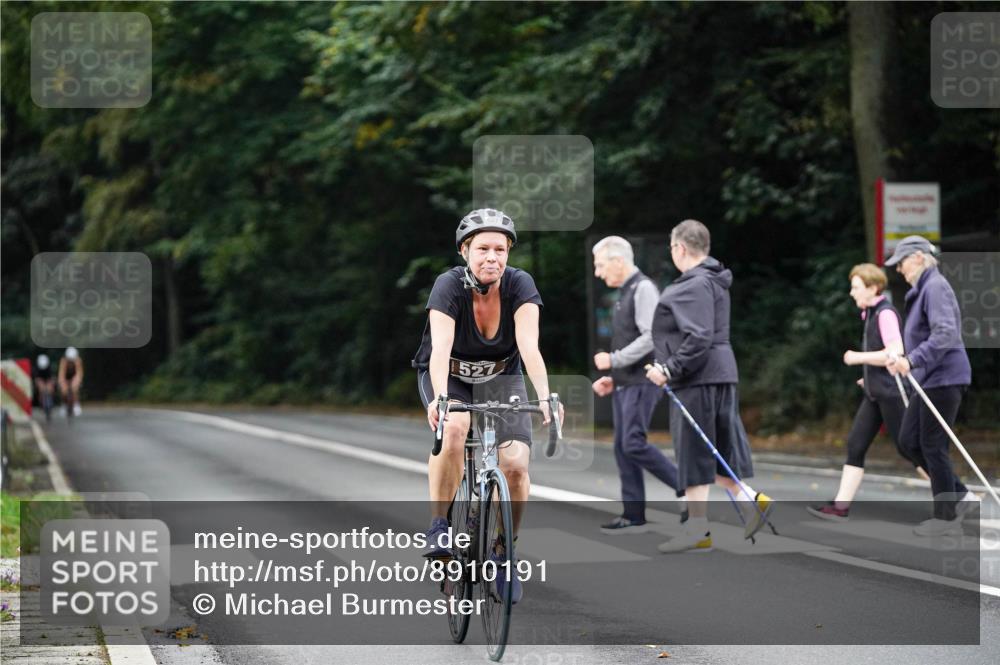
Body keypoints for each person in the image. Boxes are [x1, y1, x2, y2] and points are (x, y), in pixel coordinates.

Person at [412, 208, 561, 603]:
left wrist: (545, 395)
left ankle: (503, 551)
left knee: (515, 466)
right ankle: (440, 525)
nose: (492, 257)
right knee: (457, 427)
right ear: (465, 251)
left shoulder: (520, 285)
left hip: (501, 378)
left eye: (500, 249)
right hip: (451, 376)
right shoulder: (448, 286)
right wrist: (442, 399)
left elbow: (529, 346)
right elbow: (440, 349)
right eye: (483, 249)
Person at [645, 219, 772, 553]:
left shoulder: (692, 284)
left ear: (680, 248)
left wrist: (669, 369)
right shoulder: (713, 279)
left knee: (693, 454)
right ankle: (748, 503)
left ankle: (699, 528)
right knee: (713, 453)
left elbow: (697, 334)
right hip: (718, 373)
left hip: (696, 378)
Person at [885, 236, 978, 536]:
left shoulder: (935, 287)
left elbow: (945, 333)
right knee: (909, 442)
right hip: (929, 380)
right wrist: (905, 359)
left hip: (944, 377)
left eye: (901, 262)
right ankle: (960, 497)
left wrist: (912, 360)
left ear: (919, 258)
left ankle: (946, 518)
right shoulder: (923, 289)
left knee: (932, 445)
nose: (899, 269)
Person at [808, 264, 915, 521]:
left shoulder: (884, 314)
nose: (851, 293)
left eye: (856, 287)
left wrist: (857, 358)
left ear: (873, 288)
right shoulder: (869, 313)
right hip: (874, 392)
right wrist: (866, 376)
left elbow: (895, 352)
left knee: (910, 449)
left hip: (891, 392)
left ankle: (956, 496)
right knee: (855, 445)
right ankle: (840, 507)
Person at [591, 236, 683, 533]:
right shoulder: (625, 291)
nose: (598, 272)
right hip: (626, 382)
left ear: (618, 261)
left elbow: (649, 337)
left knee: (632, 442)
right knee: (622, 447)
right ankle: (633, 514)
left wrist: (614, 360)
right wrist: (613, 377)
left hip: (643, 380)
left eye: (601, 264)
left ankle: (688, 489)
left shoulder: (643, 288)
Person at [58, 347, 83, 416]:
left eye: (72, 360)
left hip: (74, 377)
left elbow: (79, 374)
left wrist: (76, 382)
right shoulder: (63, 361)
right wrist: (62, 383)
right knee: (63, 390)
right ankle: (63, 405)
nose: (71, 362)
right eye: (69, 360)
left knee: (75, 388)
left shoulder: (78, 361)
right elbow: (61, 374)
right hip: (66, 377)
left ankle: (76, 405)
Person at [34, 354, 55, 421]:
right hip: (40, 379)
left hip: (48, 379)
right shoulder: (37, 368)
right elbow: (37, 379)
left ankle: (51, 402)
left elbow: (51, 378)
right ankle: (41, 403)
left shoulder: (49, 368)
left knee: (50, 388)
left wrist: (50, 385)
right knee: (41, 388)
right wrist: (40, 385)